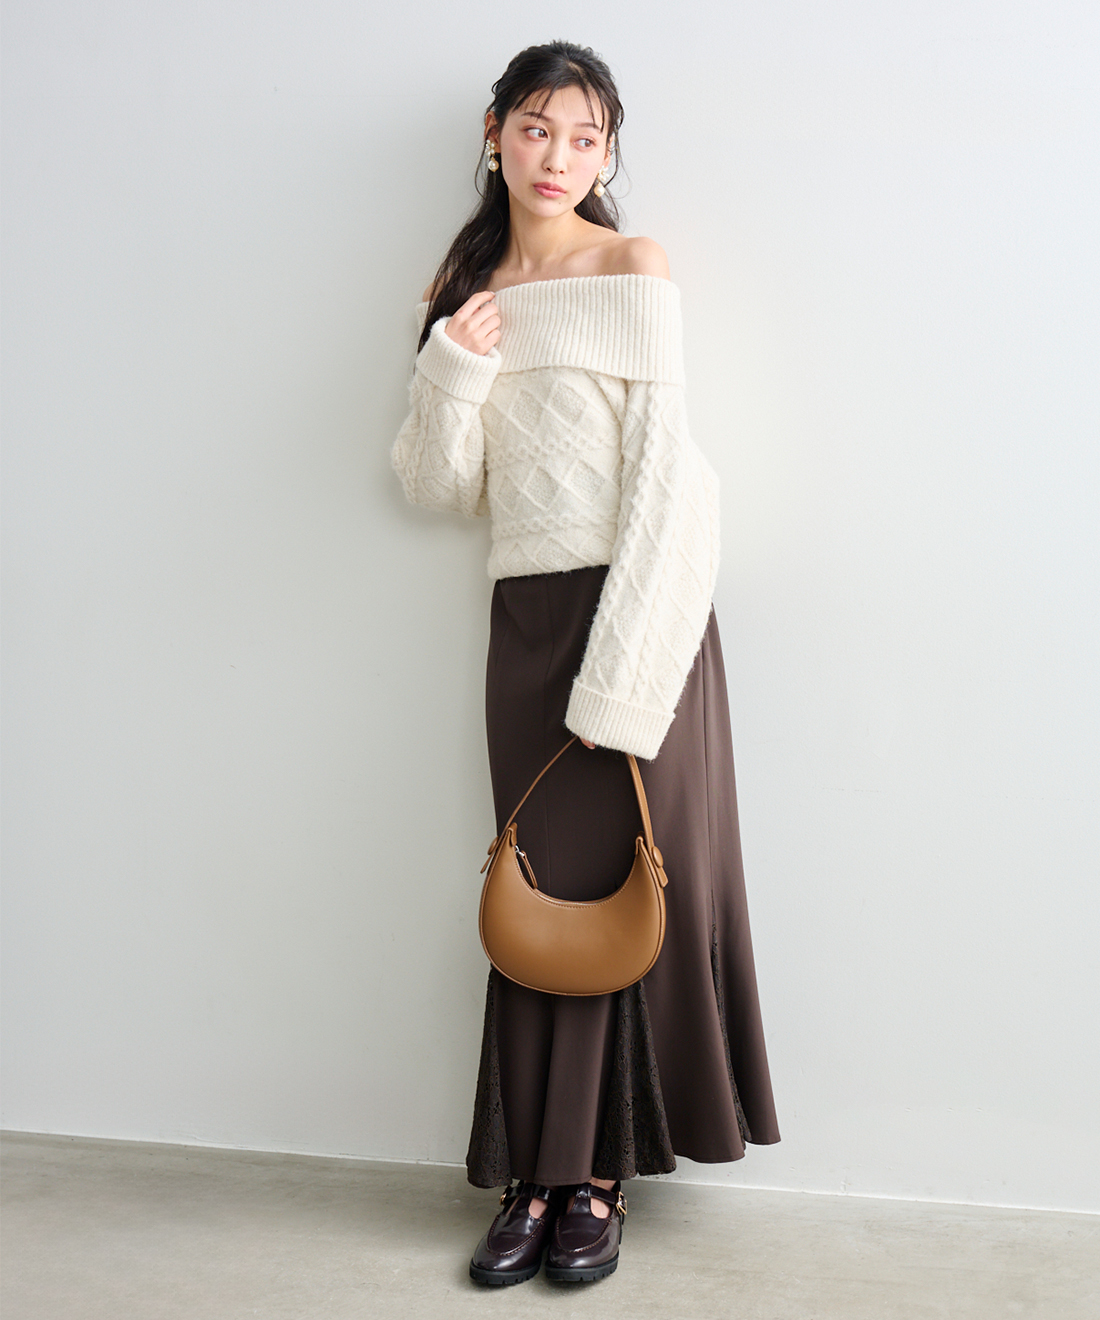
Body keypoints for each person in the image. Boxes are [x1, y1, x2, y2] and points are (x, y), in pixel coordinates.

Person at [391, 39, 780, 1286]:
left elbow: (669, 478)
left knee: (635, 888)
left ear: (607, 154)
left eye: (584, 137)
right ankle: (534, 1175)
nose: (557, 157)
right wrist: (454, 362)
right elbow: (440, 488)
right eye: (536, 129)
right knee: (541, 904)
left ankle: (598, 1179)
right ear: (495, 133)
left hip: (641, 614)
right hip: (526, 621)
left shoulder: (630, 266)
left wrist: (622, 675)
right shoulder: (469, 289)